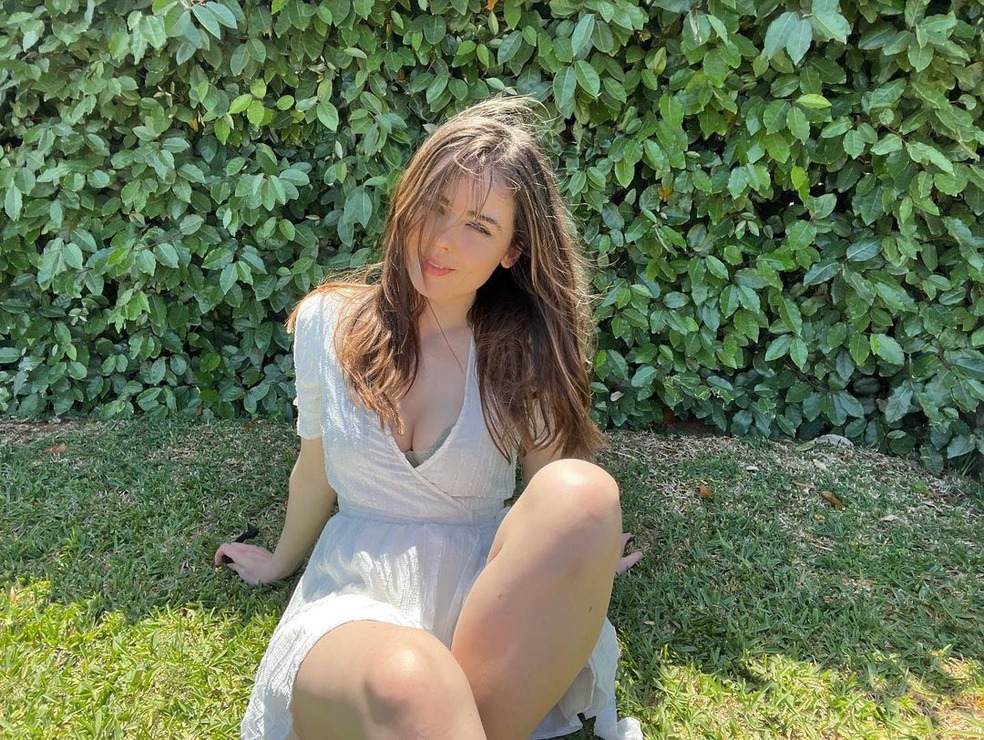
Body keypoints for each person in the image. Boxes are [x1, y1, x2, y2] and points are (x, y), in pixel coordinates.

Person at [214, 97, 643, 740]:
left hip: (482, 605)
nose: (441, 238)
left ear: (512, 252)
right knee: (413, 680)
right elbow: (315, 465)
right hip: (353, 605)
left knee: (585, 494)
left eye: (478, 225)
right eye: (435, 205)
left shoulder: (522, 350)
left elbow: (552, 488)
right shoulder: (328, 322)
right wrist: (280, 560)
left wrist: (583, 555)